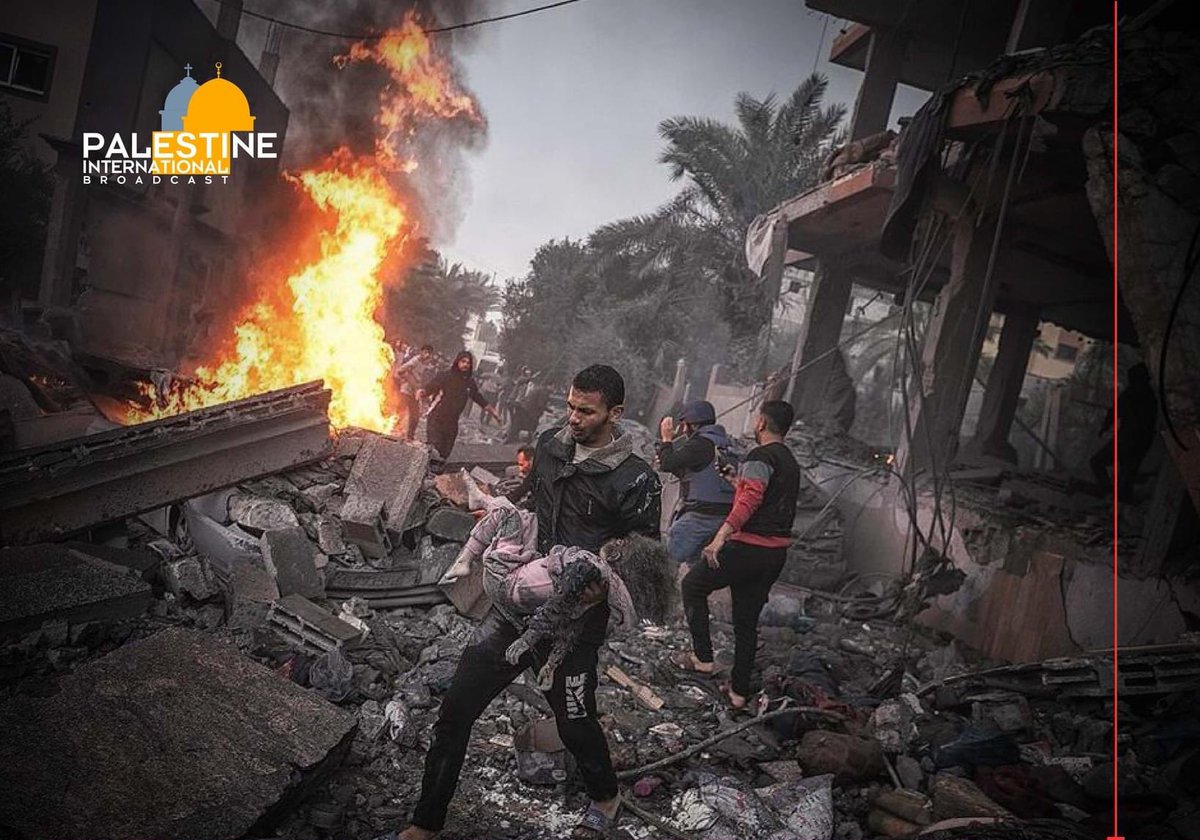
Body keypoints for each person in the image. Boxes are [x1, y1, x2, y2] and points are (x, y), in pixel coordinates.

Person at [394, 364, 661, 840]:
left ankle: (605, 795)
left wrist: (606, 577)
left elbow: (643, 553)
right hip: (519, 602)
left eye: (586, 411)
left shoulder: (636, 480)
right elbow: (534, 495)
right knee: (455, 711)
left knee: (575, 722)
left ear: (614, 413)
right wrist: (499, 509)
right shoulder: (551, 445)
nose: (573, 418)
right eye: (570, 406)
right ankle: (425, 822)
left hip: (574, 624)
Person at [677, 400, 800, 711]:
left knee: (693, 585)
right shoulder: (789, 461)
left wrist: (718, 539)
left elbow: (748, 503)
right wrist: (735, 480)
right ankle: (738, 693)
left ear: (760, 423)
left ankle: (703, 659)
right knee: (746, 623)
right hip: (774, 555)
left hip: (748, 548)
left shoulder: (760, 455)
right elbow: (761, 497)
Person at [656, 400, 735, 577]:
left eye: (685, 425)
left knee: (665, 566)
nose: (684, 431)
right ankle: (692, 600)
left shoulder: (700, 444)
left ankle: (657, 602)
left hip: (699, 516)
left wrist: (666, 439)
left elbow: (668, 462)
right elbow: (702, 476)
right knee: (696, 572)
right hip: (724, 519)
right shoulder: (725, 444)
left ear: (694, 424)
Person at [1089, 362, 1157, 502]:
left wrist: (1105, 427)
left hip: (1127, 440)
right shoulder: (1150, 397)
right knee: (1126, 478)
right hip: (1140, 442)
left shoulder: (1132, 393)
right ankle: (1117, 499)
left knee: (1097, 462)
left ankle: (1108, 493)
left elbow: (1115, 411)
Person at [418, 350, 500, 459]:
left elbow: (478, 397)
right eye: (463, 361)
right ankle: (422, 471)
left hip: (452, 422)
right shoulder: (445, 376)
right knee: (433, 449)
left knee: (445, 452)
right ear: (457, 362)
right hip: (437, 418)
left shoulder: (469, 382)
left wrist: (493, 411)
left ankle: (433, 474)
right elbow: (431, 387)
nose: (465, 364)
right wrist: (423, 391)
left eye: (468, 362)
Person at [394, 344, 437, 441]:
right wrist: (410, 380)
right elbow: (400, 371)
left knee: (415, 416)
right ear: (421, 352)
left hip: (415, 393)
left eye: (429, 353)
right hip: (406, 391)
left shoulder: (425, 364)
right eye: (425, 352)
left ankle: (410, 436)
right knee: (399, 412)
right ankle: (393, 431)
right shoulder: (415, 361)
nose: (427, 355)